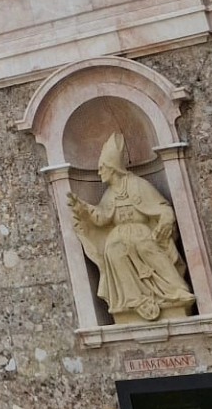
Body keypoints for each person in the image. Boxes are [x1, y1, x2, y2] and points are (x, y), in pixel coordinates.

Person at [67, 132, 196, 323]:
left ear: (113, 168)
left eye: (102, 168)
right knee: (114, 252)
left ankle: (176, 291)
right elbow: (102, 218)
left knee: (147, 247)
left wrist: (165, 220)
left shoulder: (138, 185)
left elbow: (162, 208)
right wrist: (84, 209)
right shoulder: (110, 194)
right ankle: (130, 301)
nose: (100, 172)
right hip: (118, 236)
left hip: (141, 233)